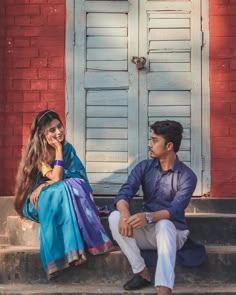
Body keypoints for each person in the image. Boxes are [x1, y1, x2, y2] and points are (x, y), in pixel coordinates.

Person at [14, 110, 114, 279]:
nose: (58, 132)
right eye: (51, 130)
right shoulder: (39, 154)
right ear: (42, 134)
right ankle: (63, 256)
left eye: (59, 126)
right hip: (39, 200)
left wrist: (48, 180)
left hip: (57, 192)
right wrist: (47, 183)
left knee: (72, 185)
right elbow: (56, 177)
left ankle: (74, 252)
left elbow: (73, 176)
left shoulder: (68, 149)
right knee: (61, 189)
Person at [108, 120, 197, 295]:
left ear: (169, 146)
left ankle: (164, 288)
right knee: (114, 217)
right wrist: (125, 215)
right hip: (147, 231)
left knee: (164, 225)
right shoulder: (144, 166)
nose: (150, 144)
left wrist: (148, 216)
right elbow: (124, 194)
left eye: (155, 140)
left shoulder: (187, 176)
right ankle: (141, 272)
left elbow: (175, 211)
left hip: (174, 233)